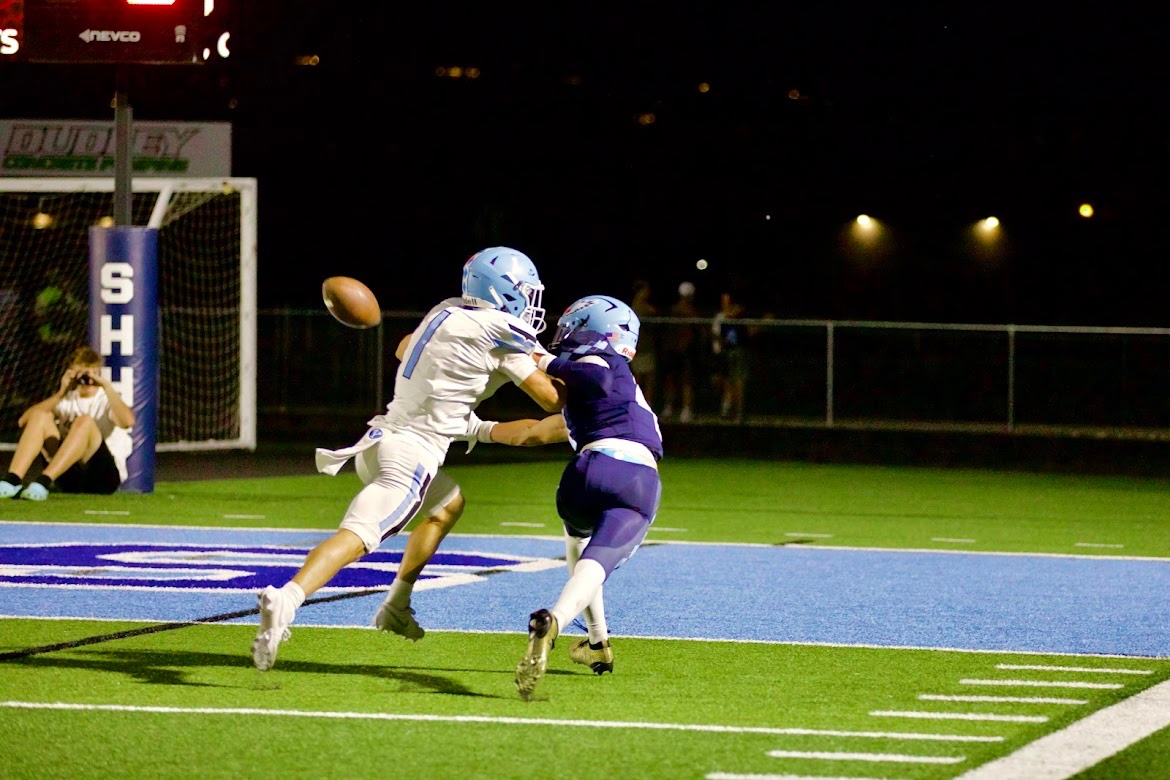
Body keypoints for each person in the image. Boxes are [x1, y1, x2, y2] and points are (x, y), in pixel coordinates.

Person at [251, 246, 566, 671]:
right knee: (357, 536)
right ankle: (286, 600)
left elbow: (404, 348)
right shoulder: (501, 332)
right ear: (504, 292)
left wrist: (457, 391)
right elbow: (550, 399)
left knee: (447, 505)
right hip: (410, 456)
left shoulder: (447, 311)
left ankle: (396, 603)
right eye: (525, 292)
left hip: (379, 441)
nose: (530, 303)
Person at [464, 294, 664, 700]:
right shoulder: (610, 371)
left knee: (579, 541)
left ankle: (597, 643)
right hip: (633, 477)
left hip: (582, 477)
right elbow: (596, 377)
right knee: (598, 562)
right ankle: (554, 621)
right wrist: (542, 360)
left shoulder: (589, 395)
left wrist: (472, 428)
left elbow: (535, 433)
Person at [0, 345, 135, 500]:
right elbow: (24, 421)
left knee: (84, 421)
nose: (86, 379)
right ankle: (13, 480)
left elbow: (128, 422)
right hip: (69, 476)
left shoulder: (106, 399)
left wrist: (107, 386)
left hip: (102, 477)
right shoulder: (67, 399)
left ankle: (43, 481)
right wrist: (61, 393)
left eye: (90, 373)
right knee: (40, 416)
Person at [659, 281, 702, 422]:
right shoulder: (681, 311)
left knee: (684, 380)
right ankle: (672, 407)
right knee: (677, 380)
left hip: (684, 349)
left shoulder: (690, 312)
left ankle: (683, 409)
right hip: (677, 349)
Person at [628, 279, 658, 408]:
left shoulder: (644, 306)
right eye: (645, 290)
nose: (648, 293)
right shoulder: (637, 307)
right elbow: (651, 312)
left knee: (649, 379)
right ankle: (636, 404)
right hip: (639, 348)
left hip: (647, 347)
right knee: (639, 378)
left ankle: (647, 404)